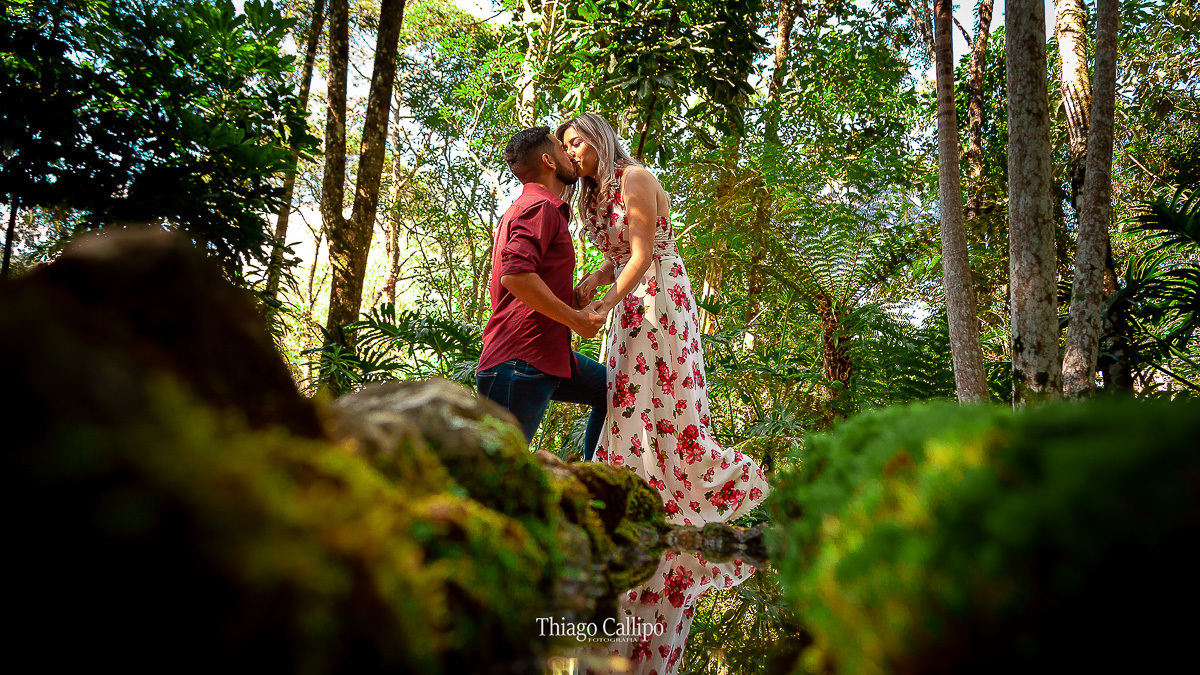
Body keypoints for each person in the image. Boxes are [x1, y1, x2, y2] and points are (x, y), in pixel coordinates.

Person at [556, 113, 769, 524]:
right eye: (564, 147)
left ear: (599, 140)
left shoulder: (633, 178)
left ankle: (723, 482)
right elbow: (616, 257)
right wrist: (594, 280)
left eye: (576, 143)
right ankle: (627, 489)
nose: (570, 153)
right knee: (627, 393)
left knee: (659, 395)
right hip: (626, 297)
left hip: (659, 294)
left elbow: (643, 253)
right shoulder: (591, 192)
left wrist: (601, 305)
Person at [476, 127, 609, 459]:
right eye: (563, 150)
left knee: (613, 390)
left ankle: (592, 484)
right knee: (497, 478)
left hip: (544, 358)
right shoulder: (540, 207)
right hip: (519, 362)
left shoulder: (534, 207)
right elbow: (516, 277)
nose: (571, 155)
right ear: (549, 161)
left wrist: (571, 299)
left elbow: (530, 280)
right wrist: (575, 319)